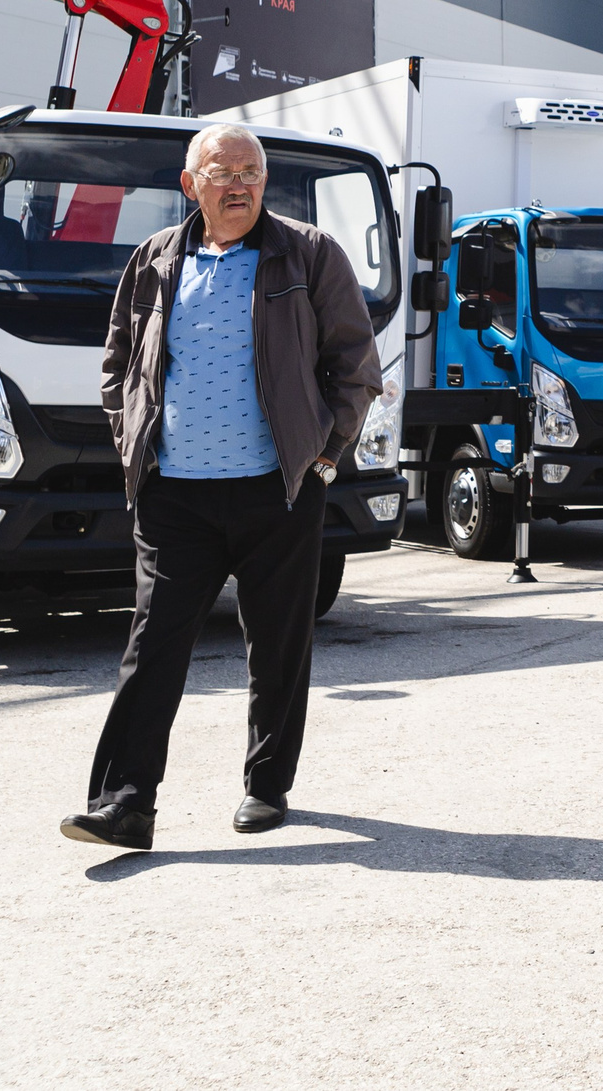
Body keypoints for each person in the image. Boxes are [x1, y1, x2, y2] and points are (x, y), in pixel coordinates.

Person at [62, 123, 382, 851]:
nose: (240, 185)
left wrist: (325, 456)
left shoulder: (308, 253)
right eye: (223, 172)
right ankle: (124, 804)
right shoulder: (154, 259)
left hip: (278, 488)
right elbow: (119, 362)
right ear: (191, 184)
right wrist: (130, 440)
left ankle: (267, 786)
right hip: (175, 494)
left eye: (251, 172)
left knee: (278, 644)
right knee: (153, 644)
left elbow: (355, 364)